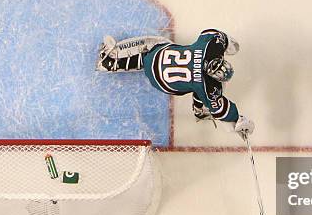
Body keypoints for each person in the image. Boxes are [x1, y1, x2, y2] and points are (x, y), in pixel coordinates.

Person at [96, 29, 254, 139]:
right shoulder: (209, 87)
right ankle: (200, 111)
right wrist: (238, 122)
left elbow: (211, 33)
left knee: (156, 46)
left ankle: (113, 58)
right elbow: (221, 112)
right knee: (200, 90)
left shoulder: (208, 47)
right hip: (162, 84)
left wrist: (227, 43)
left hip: (157, 58)